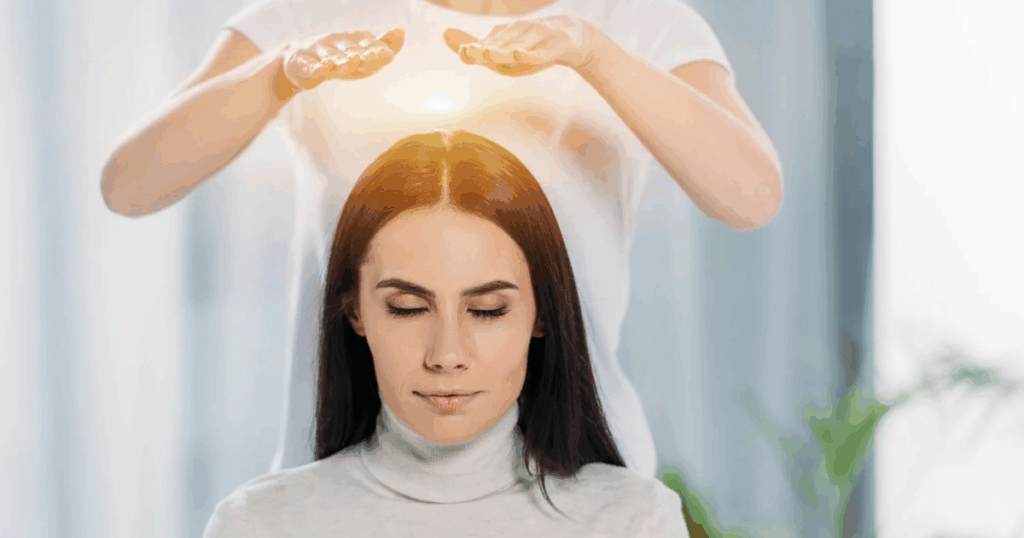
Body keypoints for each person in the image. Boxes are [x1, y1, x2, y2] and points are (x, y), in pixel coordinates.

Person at [100, 0, 783, 479]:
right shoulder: (314, 17)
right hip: (342, 479)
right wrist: (278, 76)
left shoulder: (634, 23)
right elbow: (130, 184)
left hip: (569, 482)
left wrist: (594, 57)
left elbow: (751, 196)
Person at [202, 129, 690, 537]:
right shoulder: (260, 523)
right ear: (355, 313)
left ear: (542, 313)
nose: (447, 355)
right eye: (408, 308)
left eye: (487, 310)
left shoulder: (636, 519)